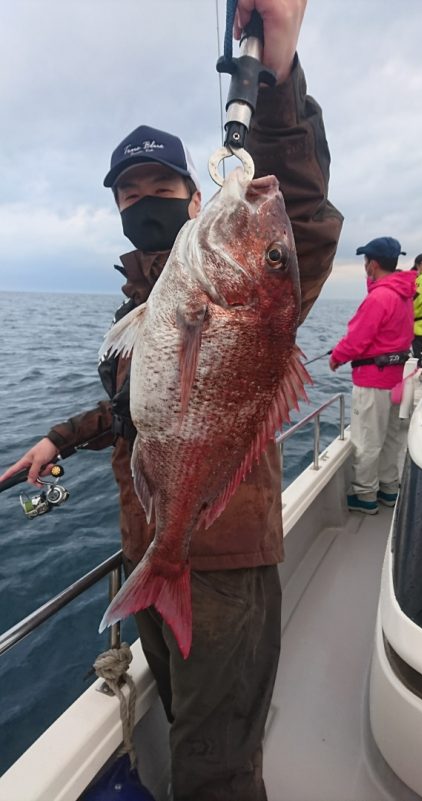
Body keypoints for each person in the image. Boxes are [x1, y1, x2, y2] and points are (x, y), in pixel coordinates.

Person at [0, 2, 343, 798]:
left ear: (197, 196)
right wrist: (60, 437)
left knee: (213, 765)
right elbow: (138, 412)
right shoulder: (147, 304)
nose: (144, 198)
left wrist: (278, 74)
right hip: (155, 548)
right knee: (190, 726)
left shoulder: (251, 295)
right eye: (130, 191)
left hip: (221, 561)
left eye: (161, 183)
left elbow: (299, 211)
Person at [329, 237, 416, 515]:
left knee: (367, 439)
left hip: (373, 381)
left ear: (373, 264)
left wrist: (336, 357)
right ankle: (389, 489)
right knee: (391, 438)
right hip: (398, 380)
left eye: (366, 261)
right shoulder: (403, 294)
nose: (365, 266)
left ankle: (365, 495)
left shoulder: (379, 297)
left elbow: (357, 339)